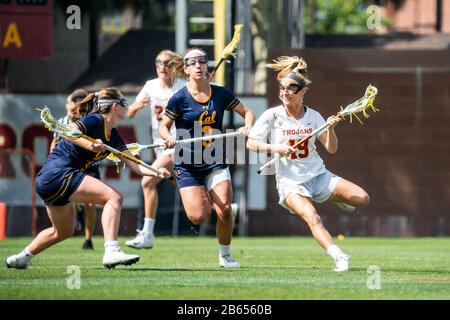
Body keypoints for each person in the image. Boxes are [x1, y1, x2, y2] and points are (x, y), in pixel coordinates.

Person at [6, 88, 171, 269]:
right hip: (58, 174)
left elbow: (134, 165)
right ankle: (111, 250)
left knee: (62, 231)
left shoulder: (114, 137)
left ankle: (21, 257)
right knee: (114, 197)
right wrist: (90, 145)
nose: (127, 108)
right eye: (124, 104)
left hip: (49, 182)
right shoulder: (94, 120)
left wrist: (157, 172)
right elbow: (67, 132)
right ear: (115, 107)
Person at [246, 56, 370, 272]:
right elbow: (251, 143)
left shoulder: (313, 116)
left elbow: (331, 148)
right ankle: (339, 256)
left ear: (302, 92)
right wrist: (278, 149)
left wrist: (330, 127)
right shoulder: (272, 116)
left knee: (362, 198)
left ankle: (336, 199)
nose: (285, 92)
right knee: (313, 217)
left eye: (291, 89)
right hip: (290, 183)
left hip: (318, 175)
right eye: (282, 88)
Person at [159, 48, 254, 268]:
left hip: (215, 160)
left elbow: (247, 112)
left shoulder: (220, 93)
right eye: (193, 63)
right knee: (198, 216)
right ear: (186, 69)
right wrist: (168, 138)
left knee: (225, 209)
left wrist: (247, 126)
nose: (199, 65)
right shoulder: (179, 98)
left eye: (202, 61)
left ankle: (225, 255)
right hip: (187, 163)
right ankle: (199, 193)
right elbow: (164, 127)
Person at [125, 50, 186, 249]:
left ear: (175, 65)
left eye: (167, 63)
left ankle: (147, 233)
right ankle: (222, 205)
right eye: (158, 62)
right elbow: (130, 113)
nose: (162, 66)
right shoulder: (150, 86)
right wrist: (138, 105)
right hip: (159, 144)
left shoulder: (183, 87)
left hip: (177, 143)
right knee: (184, 185)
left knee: (147, 182)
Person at [49, 88, 98, 250]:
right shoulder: (62, 122)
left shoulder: (91, 120)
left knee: (91, 204)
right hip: (70, 166)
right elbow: (54, 144)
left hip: (89, 165)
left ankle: (88, 239)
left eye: (79, 106)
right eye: (72, 106)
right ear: (67, 105)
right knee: (73, 198)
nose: (75, 110)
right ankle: (77, 209)